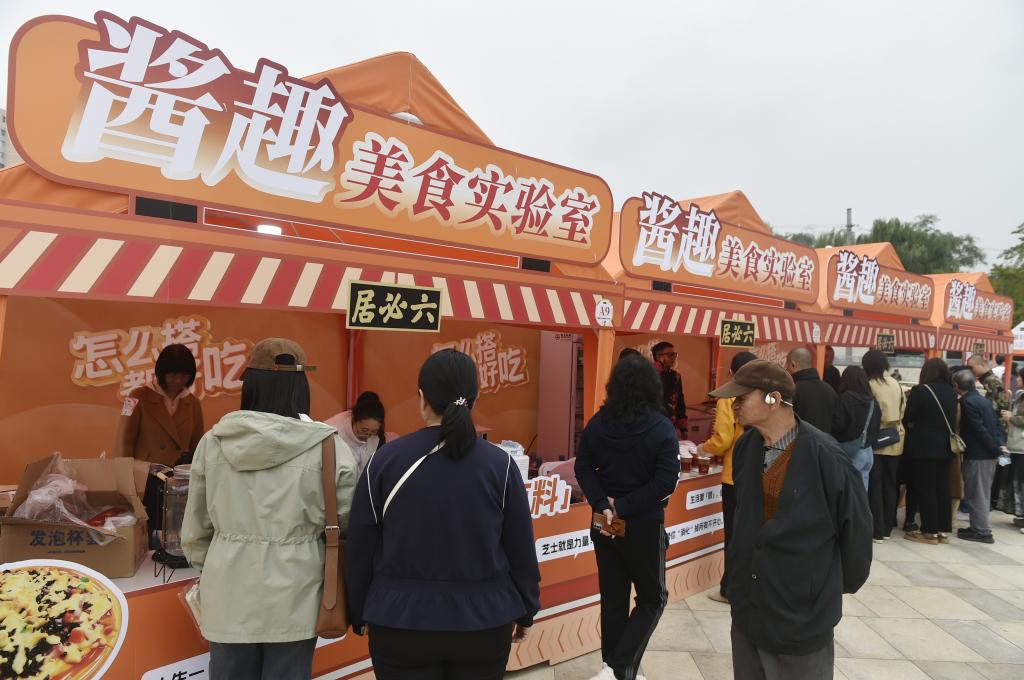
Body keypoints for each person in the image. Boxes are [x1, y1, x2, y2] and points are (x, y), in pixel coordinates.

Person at [346, 349, 540, 680]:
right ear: (475, 399)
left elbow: (361, 544)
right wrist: (526, 609)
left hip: (399, 621)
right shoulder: (501, 465)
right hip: (485, 622)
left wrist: (359, 610)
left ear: (422, 399)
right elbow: (520, 546)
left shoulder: (385, 461)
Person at [181, 338, 359, 680]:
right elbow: (348, 523)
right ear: (300, 385)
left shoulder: (213, 442)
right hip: (298, 593)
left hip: (228, 591)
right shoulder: (329, 447)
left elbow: (194, 532)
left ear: (250, 384)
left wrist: (221, 562)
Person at [712, 360, 872, 680]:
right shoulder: (746, 447)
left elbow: (856, 533)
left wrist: (819, 591)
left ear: (773, 399)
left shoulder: (826, 456)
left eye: (742, 397)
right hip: (748, 610)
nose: (734, 404)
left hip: (800, 618)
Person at [575, 355, 677, 680]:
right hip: (643, 525)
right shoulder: (661, 428)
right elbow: (665, 483)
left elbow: (582, 467)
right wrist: (623, 505)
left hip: (603, 522)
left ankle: (613, 668)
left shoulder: (598, 423)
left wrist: (603, 504)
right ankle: (619, 669)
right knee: (653, 598)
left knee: (613, 599)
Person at [115, 343, 205, 546]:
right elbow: (124, 440)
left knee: (175, 533)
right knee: (147, 533)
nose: (178, 381)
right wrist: (124, 479)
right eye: (172, 375)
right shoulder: (137, 397)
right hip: (145, 478)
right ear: (161, 373)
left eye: (184, 376)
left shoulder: (193, 403)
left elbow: (198, 444)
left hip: (178, 481)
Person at [697, 350, 758, 604]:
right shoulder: (766, 395)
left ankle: (730, 590)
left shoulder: (729, 395)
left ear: (732, 373)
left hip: (735, 475)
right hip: (761, 472)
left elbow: (723, 439)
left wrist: (703, 449)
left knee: (733, 535)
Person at [901, 358, 957, 545]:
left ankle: (930, 531)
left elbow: (908, 417)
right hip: (946, 447)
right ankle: (943, 530)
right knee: (942, 488)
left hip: (924, 447)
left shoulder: (921, 391)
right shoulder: (951, 392)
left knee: (926, 488)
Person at [954, 368, 1006, 544]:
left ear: (956, 385)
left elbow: (979, 429)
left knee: (978, 493)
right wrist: (999, 445)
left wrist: (993, 448)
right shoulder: (982, 400)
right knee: (980, 492)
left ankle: (981, 531)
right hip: (987, 454)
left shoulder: (967, 403)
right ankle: (977, 526)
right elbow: (996, 425)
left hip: (979, 454)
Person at [862, 350, 906, 542]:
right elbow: (903, 407)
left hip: (877, 438)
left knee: (875, 484)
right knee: (891, 484)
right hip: (896, 437)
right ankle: (888, 526)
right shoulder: (895, 383)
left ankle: (877, 530)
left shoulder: (870, 384)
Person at [831, 366, 881, 492]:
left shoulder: (846, 398)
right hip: (868, 452)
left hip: (851, 452)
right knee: (861, 493)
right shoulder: (873, 402)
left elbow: (838, 425)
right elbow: (876, 428)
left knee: (848, 493)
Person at [325, 391, 390, 474]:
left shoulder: (377, 436)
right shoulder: (333, 431)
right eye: (364, 430)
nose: (367, 436)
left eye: (373, 431)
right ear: (354, 419)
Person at [786, 347, 838, 433]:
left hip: (797, 440)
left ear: (793, 365)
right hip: (824, 440)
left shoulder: (791, 391)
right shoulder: (829, 390)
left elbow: (783, 422)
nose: (786, 368)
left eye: (786, 365)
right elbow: (837, 422)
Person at [1001, 365, 1024, 529]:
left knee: (1021, 481)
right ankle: (1020, 514)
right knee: (1018, 481)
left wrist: (1012, 417)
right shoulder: (1020, 395)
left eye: (1020, 377)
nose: (1018, 379)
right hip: (1017, 445)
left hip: (1021, 445)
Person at [651, 341, 688, 439]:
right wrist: (658, 371)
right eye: (670, 354)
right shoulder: (650, 375)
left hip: (671, 423)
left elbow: (680, 400)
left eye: (674, 354)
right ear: (658, 356)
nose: (673, 358)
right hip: (654, 424)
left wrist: (683, 427)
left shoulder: (676, 376)